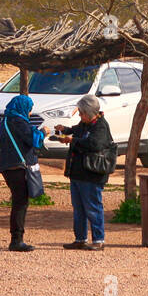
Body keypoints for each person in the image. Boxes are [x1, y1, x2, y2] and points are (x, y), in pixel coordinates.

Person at [54, 94, 114, 250]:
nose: (80, 115)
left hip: (91, 174)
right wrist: (65, 130)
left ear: (89, 112)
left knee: (93, 207)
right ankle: (80, 238)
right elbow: (77, 130)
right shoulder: (86, 123)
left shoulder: (100, 126)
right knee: (79, 208)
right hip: (78, 173)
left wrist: (72, 140)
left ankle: (98, 240)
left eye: (81, 113)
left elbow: (94, 144)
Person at [0, 93, 43, 252]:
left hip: (8, 166)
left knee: (19, 201)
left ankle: (16, 239)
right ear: (23, 108)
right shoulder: (18, 122)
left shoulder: (5, 121)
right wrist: (43, 132)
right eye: (29, 109)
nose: (30, 113)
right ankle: (16, 240)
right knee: (20, 203)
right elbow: (31, 139)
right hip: (18, 168)